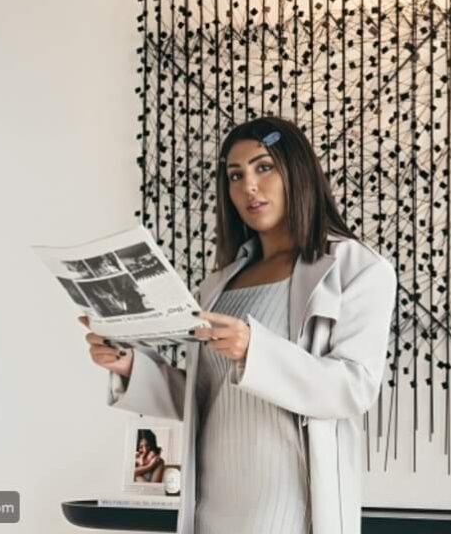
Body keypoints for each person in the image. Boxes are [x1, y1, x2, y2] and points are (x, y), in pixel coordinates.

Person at [80, 116, 397, 534]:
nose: (249, 186)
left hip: (288, 503)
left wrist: (254, 350)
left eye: (264, 167)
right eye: (235, 175)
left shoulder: (358, 269)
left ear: (297, 172)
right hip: (212, 503)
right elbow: (205, 398)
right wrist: (130, 366)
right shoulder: (218, 285)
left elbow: (353, 388)